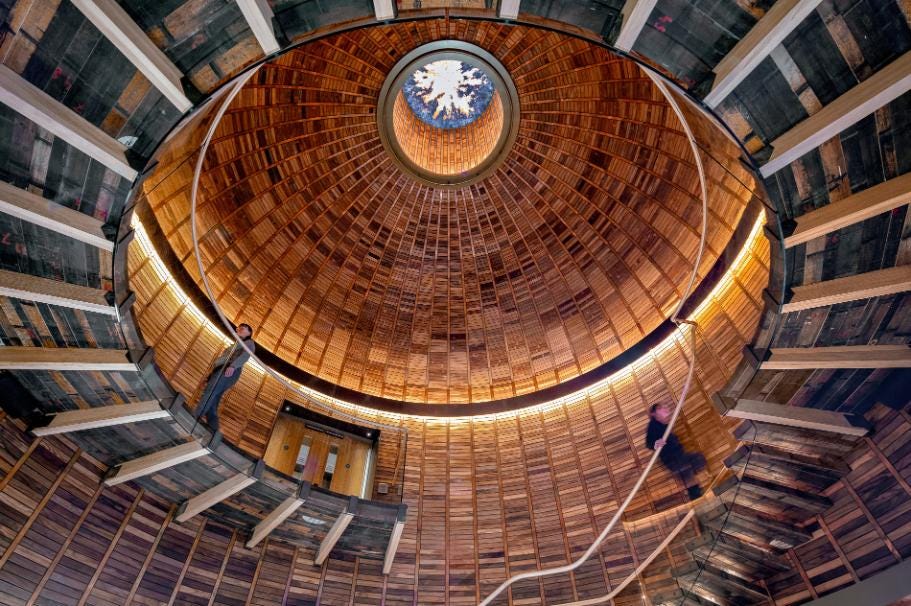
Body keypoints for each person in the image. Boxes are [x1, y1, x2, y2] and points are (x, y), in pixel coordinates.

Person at [194, 323, 255, 433]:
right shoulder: (236, 344)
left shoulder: (249, 343)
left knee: (210, 393)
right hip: (222, 370)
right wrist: (209, 377)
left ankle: (194, 417)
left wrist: (233, 366)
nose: (238, 330)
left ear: (249, 333)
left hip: (229, 369)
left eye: (242, 329)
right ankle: (213, 430)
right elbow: (222, 360)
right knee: (214, 400)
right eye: (238, 328)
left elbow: (245, 355)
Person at [645, 402, 706, 501]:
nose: (663, 409)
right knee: (688, 470)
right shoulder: (653, 425)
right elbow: (649, 443)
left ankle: (694, 493)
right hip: (671, 459)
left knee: (696, 463)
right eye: (659, 408)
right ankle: (694, 493)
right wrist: (656, 444)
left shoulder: (665, 425)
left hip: (679, 455)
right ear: (654, 414)